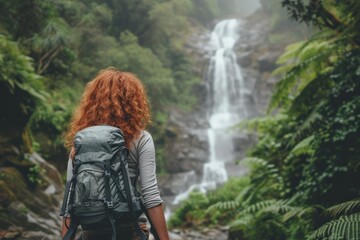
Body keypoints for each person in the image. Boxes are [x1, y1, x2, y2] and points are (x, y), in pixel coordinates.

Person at [61, 67, 170, 240]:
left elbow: (69, 199)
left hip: (92, 232)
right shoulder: (140, 138)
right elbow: (150, 195)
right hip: (130, 231)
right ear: (134, 103)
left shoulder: (81, 142)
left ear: (92, 102)